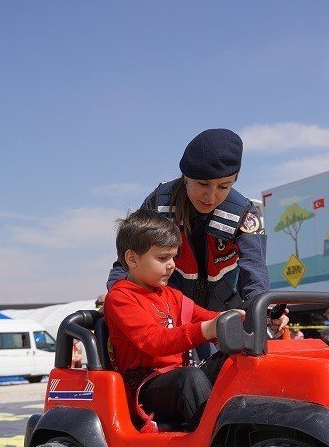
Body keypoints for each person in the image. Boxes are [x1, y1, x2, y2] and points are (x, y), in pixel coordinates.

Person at [105, 129, 283, 351]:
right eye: (203, 184)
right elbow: (127, 261)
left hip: (223, 314)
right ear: (185, 176)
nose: (211, 197)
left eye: (224, 187)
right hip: (172, 313)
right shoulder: (159, 204)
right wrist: (118, 297)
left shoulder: (245, 215)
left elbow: (255, 272)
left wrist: (263, 310)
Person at [104, 209, 241, 431]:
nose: (172, 265)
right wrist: (205, 330)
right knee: (190, 378)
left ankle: (249, 424)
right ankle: (221, 443)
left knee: (235, 358)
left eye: (173, 257)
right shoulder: (121, 297)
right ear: (132, 258)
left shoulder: (171, 295)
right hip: (146, 387)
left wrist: (236, 321)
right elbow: (154, 341)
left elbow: (207, 318)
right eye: (162, 258)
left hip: (178, 380)